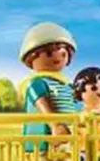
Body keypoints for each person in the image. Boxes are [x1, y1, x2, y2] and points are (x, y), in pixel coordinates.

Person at [18, 22, 80, 151]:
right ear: (31, 57)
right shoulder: (37, 83)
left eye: (63, 54)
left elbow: (79, 104)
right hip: (44, 141)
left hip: (68, 138)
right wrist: (55, 124)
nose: (57, 57)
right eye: (49, 54)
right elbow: (41, 103)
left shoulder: (67, 86)